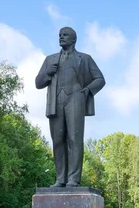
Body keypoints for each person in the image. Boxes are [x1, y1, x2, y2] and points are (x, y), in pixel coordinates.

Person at [35, 27, 105, 187]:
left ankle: (73, 178)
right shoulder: (50, 59)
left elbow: (100, 79)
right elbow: (38, 83)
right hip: (56, 102)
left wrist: (86, 91)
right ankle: (60, 179)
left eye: (65, 35)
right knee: (58, 140)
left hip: (75, 99)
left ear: (73, 39)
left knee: (74, 138)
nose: (61, 37)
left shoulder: (85, 58)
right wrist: (47, 73)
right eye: (59, 35)